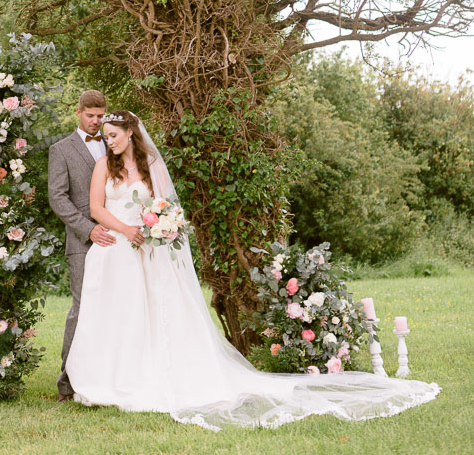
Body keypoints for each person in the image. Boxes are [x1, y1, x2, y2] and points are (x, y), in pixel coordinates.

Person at [65, 110, 440, 431]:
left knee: (154, 313)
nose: (108, 142)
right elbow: (96, 208)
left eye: (113, 136)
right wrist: (128, 229)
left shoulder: (151, 166)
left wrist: (158, 226)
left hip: (150, 250)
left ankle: (153, 372)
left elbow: (166, 205)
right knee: (119, 315)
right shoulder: (102, 165)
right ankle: (109, 378)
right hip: (116, 249)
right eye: (106, 137)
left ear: (131, 133)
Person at [47, 89, 116, 401]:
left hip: (116, 240)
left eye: (100, 116)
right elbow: (57, 198)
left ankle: (108, 376)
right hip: (82, 242)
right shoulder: (60, 150)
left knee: (116, 307)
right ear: (79, 113)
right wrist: (89, 230)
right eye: (90, 116)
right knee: (81, 308)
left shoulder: (115, 145)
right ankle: (67, 383)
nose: (96, 121)